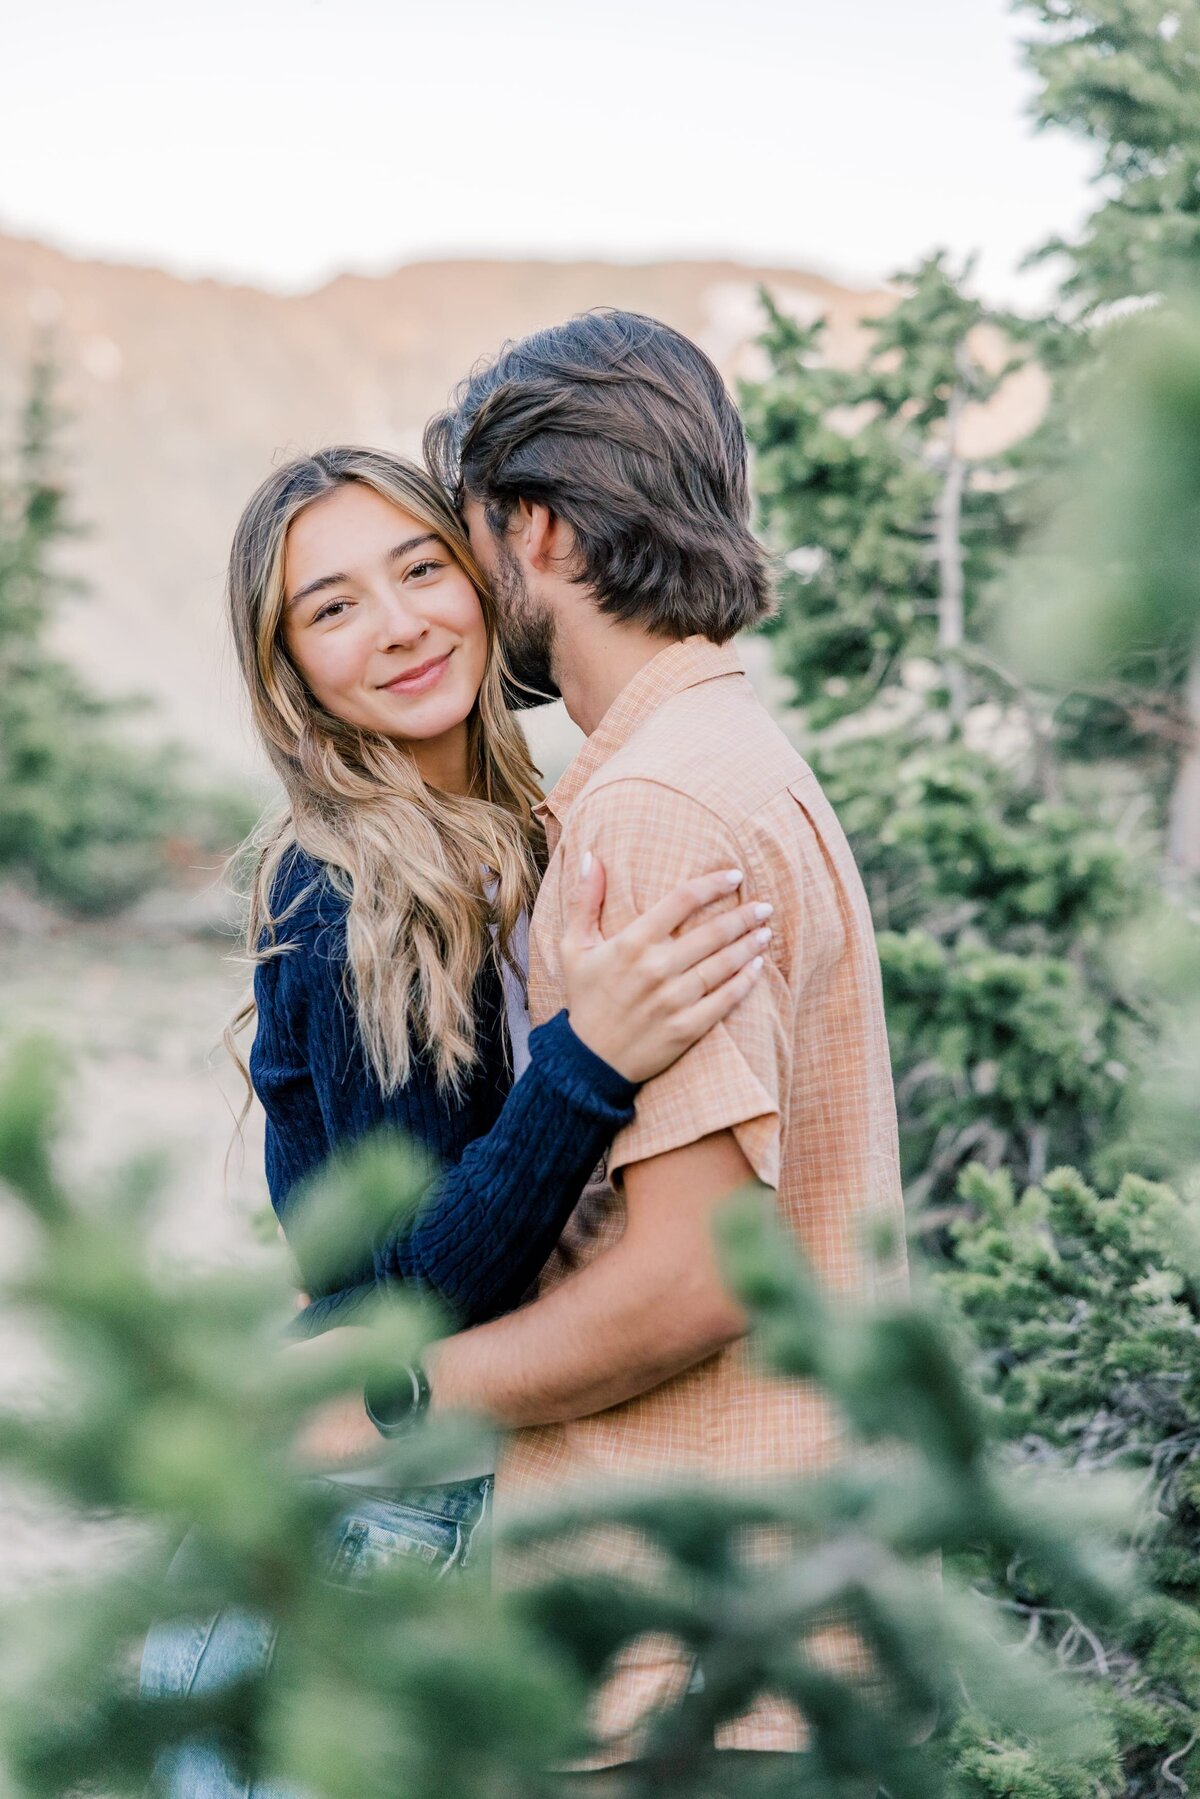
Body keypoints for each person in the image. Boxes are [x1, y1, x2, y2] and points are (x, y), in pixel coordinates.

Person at [138, 445, 771, 1797]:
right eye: (332, 607)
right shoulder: (342, 892)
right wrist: (589, 1064)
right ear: (290, 670)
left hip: (462, 1493)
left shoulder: (518, 836)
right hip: (358, 1520)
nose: (399, 624)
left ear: (484, 579)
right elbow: (404, 1287)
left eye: (421, 569)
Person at [398, 309, 906, 1767]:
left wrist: (392, 1405)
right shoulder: (732, 757)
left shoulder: (657, 808)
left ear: (541, 529)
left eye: (469, 536)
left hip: (684, 1645)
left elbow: (693, 1279)